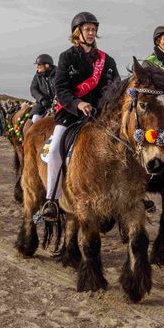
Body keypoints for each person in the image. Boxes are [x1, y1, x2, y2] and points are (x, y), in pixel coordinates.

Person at [39, 12, 119, 221]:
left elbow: (116, 88)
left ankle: (128, 196)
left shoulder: (107, 60)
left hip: (100, 117)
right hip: (70, 115)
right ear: (78, 32)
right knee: (55, 149)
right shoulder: (67, 57)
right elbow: (61, 90)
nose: (91, 33)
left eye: (94, 29)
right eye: (87, 29)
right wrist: (78, 103)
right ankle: (52, 199)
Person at [29, 54, 58, 124]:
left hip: (59, 103)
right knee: (35, 119)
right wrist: (41, 99)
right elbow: (33, 89)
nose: (37, 67)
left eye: (39, 65)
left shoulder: (58, 73)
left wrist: (57, 99)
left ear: (47, 65)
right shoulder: (37, 76)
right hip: (42, 105)